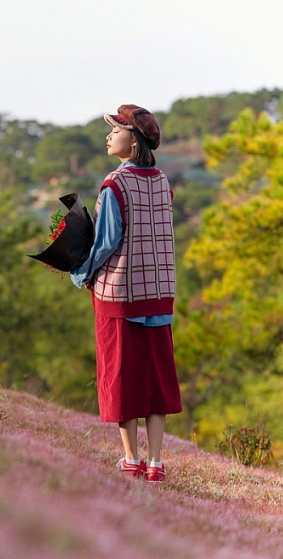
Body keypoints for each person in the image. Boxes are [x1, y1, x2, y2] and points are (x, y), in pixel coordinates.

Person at [70, 104, 181, 483]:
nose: (108, 136)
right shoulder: (163, 182)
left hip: (120, 295)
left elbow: (105, 243)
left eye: (114, 130)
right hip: (159, 294)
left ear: (132, 140)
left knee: (121, 377)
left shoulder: (115, 184)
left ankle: (131, 459)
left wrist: (79, 272)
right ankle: (156, 462)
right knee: (155, 379)